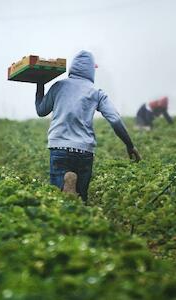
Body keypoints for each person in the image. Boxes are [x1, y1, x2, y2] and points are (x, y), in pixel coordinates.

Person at [35, 50, 141, 204]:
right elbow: (115, 120)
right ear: (92, 70)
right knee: (81, 200)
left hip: (59, 147)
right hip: (84, 150)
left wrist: (40, 84)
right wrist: (130, 145)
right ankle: (76, 196)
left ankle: (67, 185)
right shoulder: (96, 93)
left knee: (57, 201)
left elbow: (41, 111)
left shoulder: (59, 86)